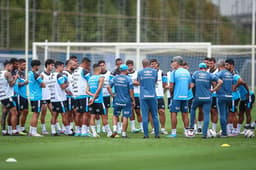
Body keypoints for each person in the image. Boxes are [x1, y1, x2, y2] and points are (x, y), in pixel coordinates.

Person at [190, 63, 223, 138]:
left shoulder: (196, 73)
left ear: (199, 68)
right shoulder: (210, 75)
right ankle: (204, 134)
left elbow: (192, 85)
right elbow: (221, 82)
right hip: (208, 98)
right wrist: (214, 90)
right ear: (206, 68)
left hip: (198, 97)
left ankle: (191, 130)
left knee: (192, 109)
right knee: (207, 114)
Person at [167, 56, 191, 138]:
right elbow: (189, 85)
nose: (172, 63)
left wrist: (172, 94)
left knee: (173, 113)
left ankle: (173, 133)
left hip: (176, 96)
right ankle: (186, 131)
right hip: (185, 96)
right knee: (185, 114)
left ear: (177, 63)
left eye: (173, 62)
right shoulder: (187, 72)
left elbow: (171, 86)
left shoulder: (174, 72)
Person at [108, 64, 135, 138]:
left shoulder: (115, 78)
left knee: (115, 115)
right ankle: (123, 133)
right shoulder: (128, 79)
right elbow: (131, 90)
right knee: (125, 116)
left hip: (117, 100)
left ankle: (115, 130)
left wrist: (112, 94)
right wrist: (133, 100)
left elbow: (108, 86)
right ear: (126, 70)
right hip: (126, 101)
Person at [87, 64, 113, 137]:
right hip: (99, 100)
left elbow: (86, 91)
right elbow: (99, 89)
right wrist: (95, 97)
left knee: (92, 116)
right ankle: (109, 132)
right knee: (104, 117)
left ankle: (94, 133)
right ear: (99, 69)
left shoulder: (90, 78)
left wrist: (92, 97)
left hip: (91, 100)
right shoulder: (101, 77)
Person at [137, 59, 160, 138]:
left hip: (143, 96)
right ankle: (157, 134)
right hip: (153, 95)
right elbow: (155, 81)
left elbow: (139, 82)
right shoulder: (155, 72)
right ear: (150, 64)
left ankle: (146, 135)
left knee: (145, 116)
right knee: (155, 115)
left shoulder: (140, 72)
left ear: (142, 65)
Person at [50, 61, 72, 136]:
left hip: (53, 98)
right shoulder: (59, 76)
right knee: (65, 115)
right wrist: (68, 83)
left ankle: (53, 131)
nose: (63, 68)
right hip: (60, 98)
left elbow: (57, 86)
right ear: (58, 66)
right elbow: (62, 86)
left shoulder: (51, 75)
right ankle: (68, 131)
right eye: (62, 66)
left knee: (54, 115)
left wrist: (66, 91)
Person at [72, 57, 91, 137]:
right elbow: (90, 81)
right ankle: (84, 131)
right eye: (88, 65)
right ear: (85, 63)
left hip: (76, 95)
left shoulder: (75, 71)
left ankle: (78, 131)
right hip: (84, 94)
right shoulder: (84, 71)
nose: (89, 67)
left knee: (78, 113)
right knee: (85, 113)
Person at [0, 60, 19, 135]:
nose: (12, 68)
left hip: (2, 96)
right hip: (8, 96)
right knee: (14, 112)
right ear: (7, 65)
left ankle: (4, 131)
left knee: (4, 113)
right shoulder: (8, 73)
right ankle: (14, 131)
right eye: (11, 66)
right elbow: (11, 84)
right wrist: (16, 78)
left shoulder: (1, 73)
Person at [215, 59, 233, 137]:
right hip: (229, 96)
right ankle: (226, 130)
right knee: (226, 114)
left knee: (222, 115)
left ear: (219, 66)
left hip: (221, 96)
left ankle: (224, 133)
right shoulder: (230, 74)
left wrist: (214, 89)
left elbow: (215, 82)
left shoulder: (219, 74)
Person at [150, 60, 168, 135]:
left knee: (161, 112)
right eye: (151, 64)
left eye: (154, 64)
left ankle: (163, 128)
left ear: (158, 65)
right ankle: (153, 129)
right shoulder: (149, 73)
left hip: (160, 97)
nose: (153, 65)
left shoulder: (162, 73)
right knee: (151, 113)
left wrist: (162, 93)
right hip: (151, 96)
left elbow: (165, 85)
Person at [28, 60, 46, 137]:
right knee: (36, 114)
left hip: (32, 96)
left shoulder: (29, 73)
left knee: (34, 114)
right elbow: (43, 85)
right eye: (38, 66)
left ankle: (31, 131)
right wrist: (42, 78)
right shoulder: (36, 75)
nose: (39, 67)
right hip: (37, 96)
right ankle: (34, 132)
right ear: (35, 66)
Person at [126, 60, 142, 133]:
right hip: (128, 95)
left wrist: (131, 82)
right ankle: (133, 127)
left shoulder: (137, 73)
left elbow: (139, 83)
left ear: (133, 65)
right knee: (131, 111)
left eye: (131, 65)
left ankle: (141, 127)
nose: (129, 66)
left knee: (138, 111)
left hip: (137, 94)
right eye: (128, 65)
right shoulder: (125, 74)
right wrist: (133, 82)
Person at [40, 59, 56, 135]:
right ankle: (43, 129)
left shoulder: (53, 75)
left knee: (54, 113)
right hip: (43, 97)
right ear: (47, 65)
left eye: (53, 65)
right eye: (51, 65)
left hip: (50, 97)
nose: (53, 67)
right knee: (43, 113)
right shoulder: (42, 75)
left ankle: (57, 128)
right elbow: (39, 85)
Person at [98, 60, 113, 133]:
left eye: (103, 65)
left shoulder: (109, 74)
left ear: (105, 65)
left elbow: (111, 84)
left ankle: (104, 127)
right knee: (97, 113)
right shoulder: (97, 74)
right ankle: (98, 127)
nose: (102, 67)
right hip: (98, 96)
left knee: (105, 112)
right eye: (100, 65)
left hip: (106, 95)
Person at [207, 57, 219, 133]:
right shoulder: (207, 71)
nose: (210, 65)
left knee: (214, 111)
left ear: (215, 63)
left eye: (211, 63)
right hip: (208, 94)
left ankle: (214, 129)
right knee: (209, 111)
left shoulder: (218, 71)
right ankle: (210, 128)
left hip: (215, 94)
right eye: (209, 63)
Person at [17, 59, 29, 134]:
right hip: (19, 95)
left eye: (25, 64)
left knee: (26, 111)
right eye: (23, 65)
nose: (25, 66)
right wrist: (25, 83)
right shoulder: (17, 73)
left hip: (25, 96)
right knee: (19, 112)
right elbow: (17, 84)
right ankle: (17, 129)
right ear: (19, 65)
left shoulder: (23, 73)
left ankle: (22, 128)